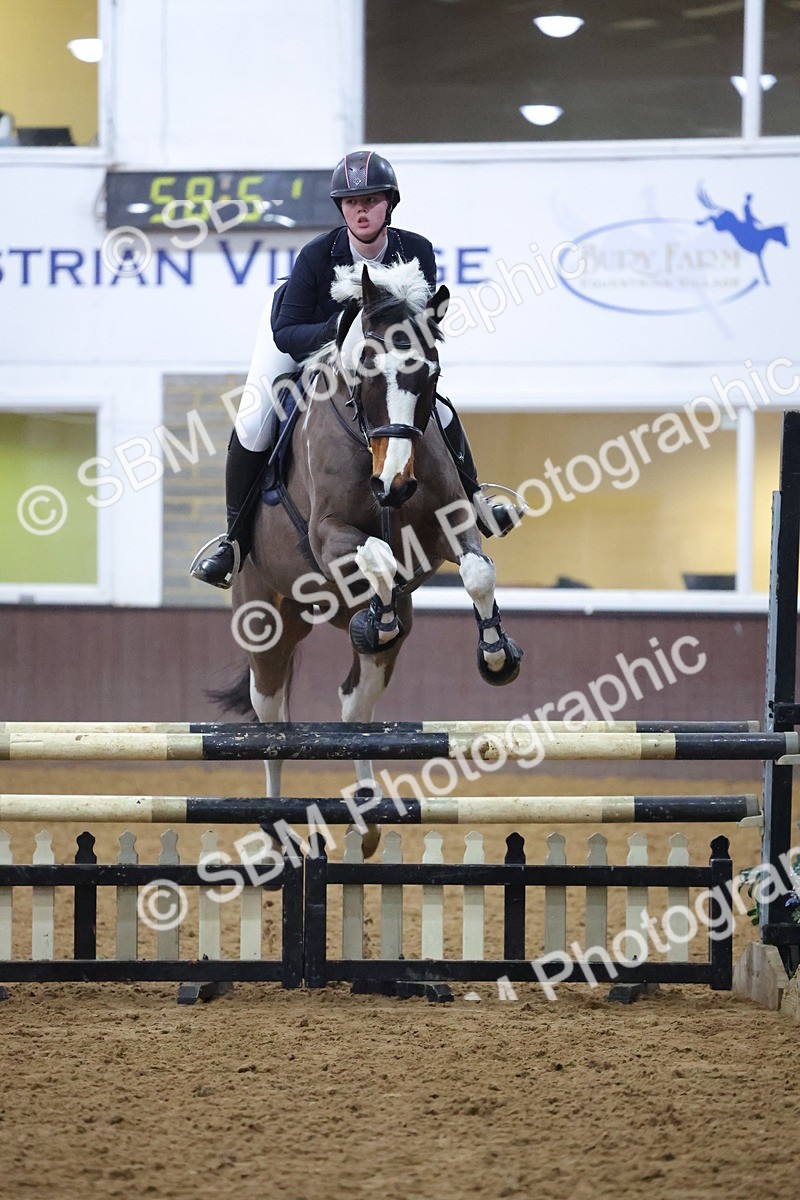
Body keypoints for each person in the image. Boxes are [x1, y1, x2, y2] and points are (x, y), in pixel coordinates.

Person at [191, 149, 517, 589]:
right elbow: (288, 331)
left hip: (377, 361)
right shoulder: (316, 254)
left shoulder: (415, 249)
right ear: (341, 208)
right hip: (302, 344)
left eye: (371, 200)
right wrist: (340, 330)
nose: (361, 210)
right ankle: (233, 543)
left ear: (389, 204)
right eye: (351, 202)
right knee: (252, 423)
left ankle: (476, 499)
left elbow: (417, 329)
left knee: (439, 409)